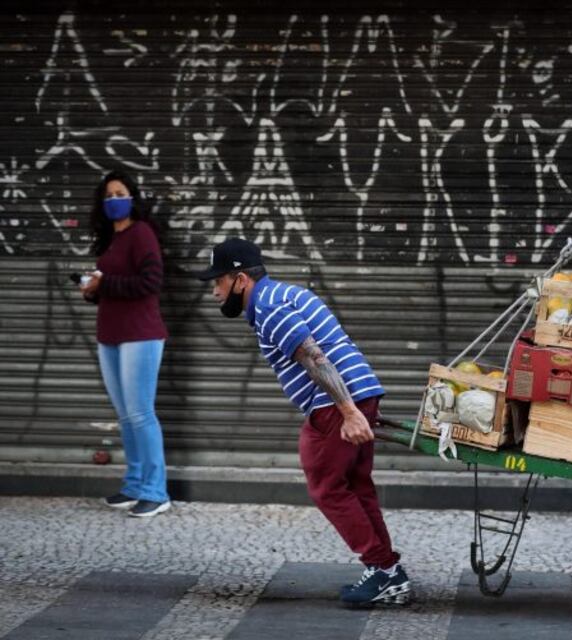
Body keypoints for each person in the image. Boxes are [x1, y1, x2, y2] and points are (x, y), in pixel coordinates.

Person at [194, 238, 411, 608]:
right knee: (355, 484)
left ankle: (383, 570)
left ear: (241, 279)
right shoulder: (284, 294)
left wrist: (349, 411)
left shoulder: (269, 307)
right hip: (360, 388)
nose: (215, 291)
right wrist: (356, 405)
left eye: (218, 281)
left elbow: (314, 357)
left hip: (336, 399)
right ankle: (386, 571)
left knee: (325, 484)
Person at [79, 170, 171, 517]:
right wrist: (93, 290)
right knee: (125, 416)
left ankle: (156, 491)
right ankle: (134, 484)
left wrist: (106, 283)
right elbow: (111, 289)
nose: (114, 200)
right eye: (108, 195)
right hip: (111, 335)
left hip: (141, 334)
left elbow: (150, 282)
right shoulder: (109, 239)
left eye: (120, 193)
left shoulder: (142, 234)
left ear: (132, 197)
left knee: (140, 413)